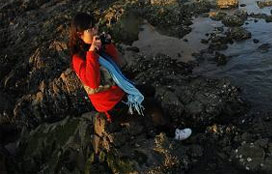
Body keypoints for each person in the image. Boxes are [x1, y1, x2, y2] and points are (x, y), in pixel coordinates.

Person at [68, 13, 192, 141]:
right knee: (153, 104)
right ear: (79, 34)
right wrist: (92, 53)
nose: (95, 31)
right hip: (112, 106)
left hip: (120, 92)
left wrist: (108, 44)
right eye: (89, 30)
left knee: (150, 90)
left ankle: (152, 121)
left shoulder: (95, 47)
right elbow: (93, 83)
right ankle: (171, 134)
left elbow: (118, 63)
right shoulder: (79, 59)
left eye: (95, 27)